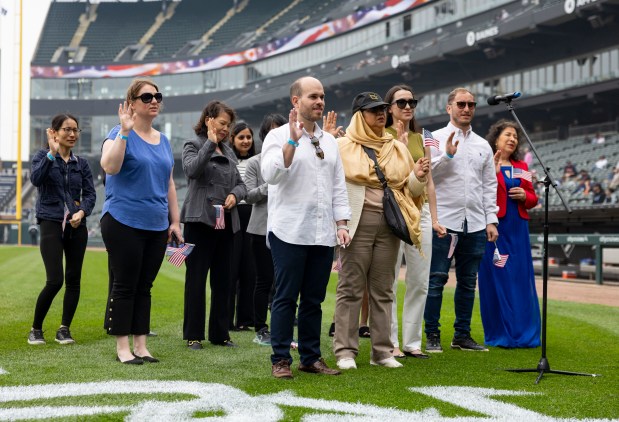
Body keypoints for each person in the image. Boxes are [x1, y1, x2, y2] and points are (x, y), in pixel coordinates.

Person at [261, 76, 351, 378]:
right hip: (289, 230)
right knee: (286, 297)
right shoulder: (277, 136)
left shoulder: (329, 142)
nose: (320, 102)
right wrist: (291, 142)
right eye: (313, 96)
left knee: (314, 299)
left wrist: (341, 223)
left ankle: (311, 357)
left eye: (322, 96)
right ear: (295, 101)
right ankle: (281, 359)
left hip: (322, 233)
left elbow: (337, 185)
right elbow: (271, 175)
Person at [333, 91, 429, 371]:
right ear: (358, 114)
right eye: (373, 110)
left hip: (389, 223)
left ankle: (382, 351)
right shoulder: (342, 146)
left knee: (383, 289)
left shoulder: (396, 147)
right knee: (350, 287)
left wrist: (419, 177)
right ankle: (345, 351)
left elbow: (408, 191)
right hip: (356, 223)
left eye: (383, 109)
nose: (381, 114)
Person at [100, 78, 182, 364]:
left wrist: (175, 222)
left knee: (145, 286)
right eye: (146, 97)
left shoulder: (164, 140)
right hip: (123, 220)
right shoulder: (118, 132)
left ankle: (141, 345)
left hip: (157, 224)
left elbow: (169, 183)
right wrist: (124, 131)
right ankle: (123, 348)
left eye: (157, 96)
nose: (154, 101)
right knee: (125, 284)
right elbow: (110, 166)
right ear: (131, 103)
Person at [423, 87, 499, 353]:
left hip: (476, 222)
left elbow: (489, 185)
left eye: (471, 104)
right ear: (449, 107)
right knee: (436, 279)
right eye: (461, 104)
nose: (466, 109)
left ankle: (462, 335)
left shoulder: (483, 145)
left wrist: (492, 220)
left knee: (468, 282)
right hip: (443, 220)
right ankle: (432, 334)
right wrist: (448, 155)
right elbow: (425, 174)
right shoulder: (432, 137)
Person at [383, 84, 447, 360]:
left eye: (412, 102)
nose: (408, 106)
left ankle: (411, 341)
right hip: (392, 211)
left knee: (420, 280)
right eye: (402, 102)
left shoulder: (423, 138)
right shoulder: (380, 134)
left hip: (419, 213)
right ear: (390, 108)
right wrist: (396, 142)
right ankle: (389, 341)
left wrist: (435, 218)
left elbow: (429, 181)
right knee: (388, 281)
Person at [181, 101, 246, 349]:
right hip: (200, 221)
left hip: (227, 222)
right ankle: (193, 335)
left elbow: (241, 184)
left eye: (228, 125)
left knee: (223, 280)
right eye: (222, 123)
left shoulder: (229, 152)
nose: (226, 129)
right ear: (209, 120)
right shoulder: (193, 144)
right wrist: (209, 142)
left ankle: (220, 334)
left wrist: (235, 195)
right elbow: (192, 170)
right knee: (196, 280)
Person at [28, 113, 96, 345]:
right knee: (55, 280)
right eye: (67, 129)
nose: (72, 134)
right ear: (54, 132)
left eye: (75, 130)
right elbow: (36, 179)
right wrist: (51, 154)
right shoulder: (41, 156)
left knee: (74, 279)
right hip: (51, 221)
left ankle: (64, 329)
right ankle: (36, 329)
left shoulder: (82, 164)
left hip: (77, 225)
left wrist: (82, 212)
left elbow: (90, 194)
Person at [478, 119, 540, 348]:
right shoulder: (485, 162)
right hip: (495, 230)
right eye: (507, 135)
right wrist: (493, 173)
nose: (512, 139)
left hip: (517, 231)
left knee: (518, 279)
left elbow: (533, 198)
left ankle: (522, 332)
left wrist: (526, 197)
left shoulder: (522, 168)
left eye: (515, 136)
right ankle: (499, 333)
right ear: (496, 139)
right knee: (496, 278)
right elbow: (478, 193)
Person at [245, 113, 287, 346]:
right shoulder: (254, 162)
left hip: (288, 228)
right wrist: (271, 184)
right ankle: (260, 327)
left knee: (286, 281)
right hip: (261, 229)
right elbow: (249, 196)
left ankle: (283, 325)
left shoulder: (295, 159)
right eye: (273, 131)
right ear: (264, 135)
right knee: (263, 280)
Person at [228, 122, 257, 331]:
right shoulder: (227, 160)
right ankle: (226, 319)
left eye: (249, 137)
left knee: (250, 270)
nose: (246, 141)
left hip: (253, 216)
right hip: (233, 215)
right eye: (241, 137)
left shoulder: (257, 161)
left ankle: (246, 320)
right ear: (233, 140)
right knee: (230, 270)